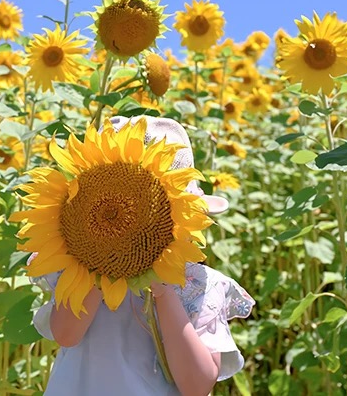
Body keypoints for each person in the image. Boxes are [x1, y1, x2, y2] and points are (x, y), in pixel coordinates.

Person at [31, 116, 255, 396]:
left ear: (185, 219)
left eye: (146, 215)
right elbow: (66, 334)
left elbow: (197, 385)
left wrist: (162, 285)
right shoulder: (79, 273)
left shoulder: (200, 286)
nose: (122, 225)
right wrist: (98, 263)